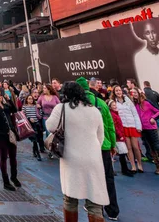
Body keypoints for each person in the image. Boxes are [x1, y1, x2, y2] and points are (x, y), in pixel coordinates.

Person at [47, 82, 109, 222]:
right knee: (94, 202)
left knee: (70, 198)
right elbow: (100, 137)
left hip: (71, 158)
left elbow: (50, 126)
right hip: (93, 159)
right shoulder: (94, 110)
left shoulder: (62, 108)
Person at [78, 77, 119, 221]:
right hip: (104, 146)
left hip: (87, 147)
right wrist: (113, 144)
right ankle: (113, 210)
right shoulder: (101, 103)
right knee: (108, 177)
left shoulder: (76, 105)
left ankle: (94, 206)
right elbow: (110, 126)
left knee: (90, 177)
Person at [133, 91, 159, 178]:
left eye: (136, 93)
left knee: (158, 148)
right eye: (133, 93)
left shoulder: (147, 103)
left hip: (151, 128)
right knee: (151, 148)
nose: (134, 94)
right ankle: (158, 167)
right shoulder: (135, 105)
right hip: (143, 129)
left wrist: (153, 118)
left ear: (139, 93)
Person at [0, 88, 19, 191]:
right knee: (3, 157)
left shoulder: (5, 105)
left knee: (13, 156)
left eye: (0, 94)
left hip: (10, 133)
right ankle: (6, 181)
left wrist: (9, 99)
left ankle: (14, 177)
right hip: (0, 134)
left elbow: (14, 110)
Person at [112, 85, 143, 173]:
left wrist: (138, 126)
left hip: (132, 125)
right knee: (128, 147)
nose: (118, 92)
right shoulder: (114, 102)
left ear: (122, 91)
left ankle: (139, 164)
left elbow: (135, 113)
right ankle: (133, 166)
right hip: (123, 127)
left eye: (119, 90)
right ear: (114, 93)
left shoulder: (128, 101)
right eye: (116, 91)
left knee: (135, 147)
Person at [107, 99, 134, 177]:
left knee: (123, 152)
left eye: (115, 105)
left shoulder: (116, 114)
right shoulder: (113, 115)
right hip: (118, 137)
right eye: (113, 105)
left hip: (119, 136)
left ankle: (124, 169)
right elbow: (115, 126)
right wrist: (120, 135)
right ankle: (123, 169)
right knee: (121, 152)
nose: (115, 107)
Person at [22, 94, 44, 161]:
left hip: (37, 124)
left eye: (31, 98)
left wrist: (40, 108)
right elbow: (23, 116)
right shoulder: (24, 107)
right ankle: (38, 154)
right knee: (34, 139)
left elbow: (40, 114)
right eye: (29, 98)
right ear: (26, 100)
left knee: (38, 139)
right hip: (30, 125)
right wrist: (29, 118)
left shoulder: (36, 106)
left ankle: (34, 151)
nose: (30, 100)